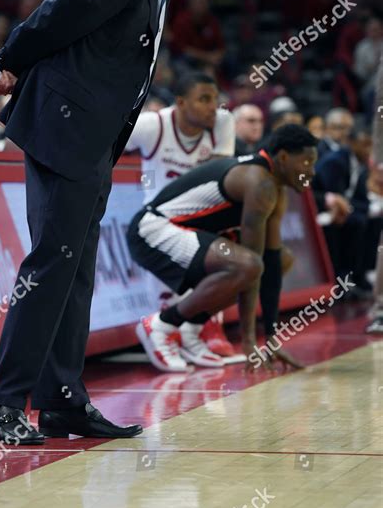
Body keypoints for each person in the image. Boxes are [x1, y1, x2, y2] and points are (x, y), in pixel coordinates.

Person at [0, 0, 221, 445]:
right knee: (50, 266)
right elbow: (52, 17)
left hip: (90, 138)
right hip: (63, 133)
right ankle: (4, 401)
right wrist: (10, 64)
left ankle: (62, 400)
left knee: (76, 269)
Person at [127, 124, 317, 371]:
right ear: (282, 157)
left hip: (183, 231)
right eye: (307, 162)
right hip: (151, 229)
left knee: (281, 260)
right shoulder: (259, 183)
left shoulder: (274, 187)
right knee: (247, 266)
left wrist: (271, 338)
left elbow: (269, 263)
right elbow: (252, 265)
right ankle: (161, 325)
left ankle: (190, 330)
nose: (311, 172)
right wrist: (249, 342)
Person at [125, 71, 237, 358]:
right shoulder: (152, 125)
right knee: (169, 289)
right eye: (204, 99)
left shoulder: (222, 122)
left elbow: (220, 182)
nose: (214, 106)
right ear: (181, 103)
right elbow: (103, 143)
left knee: (236, 253)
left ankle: (207, 326)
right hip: (158, 221)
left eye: (215, 99)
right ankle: (170, 333)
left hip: (200, 219)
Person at [312, 126, 373, 295]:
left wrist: (359, 208)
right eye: (365, 144)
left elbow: (361, 200)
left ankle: (361, 274)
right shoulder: (335, 161)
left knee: (369, 219)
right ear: (352, 143)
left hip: (342, 209)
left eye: (371, 145)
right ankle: (342, 278)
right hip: (320, 210)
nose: (369, 150)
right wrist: (354, 207)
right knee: (353, 221)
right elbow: (333, 196)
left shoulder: (360, 164)